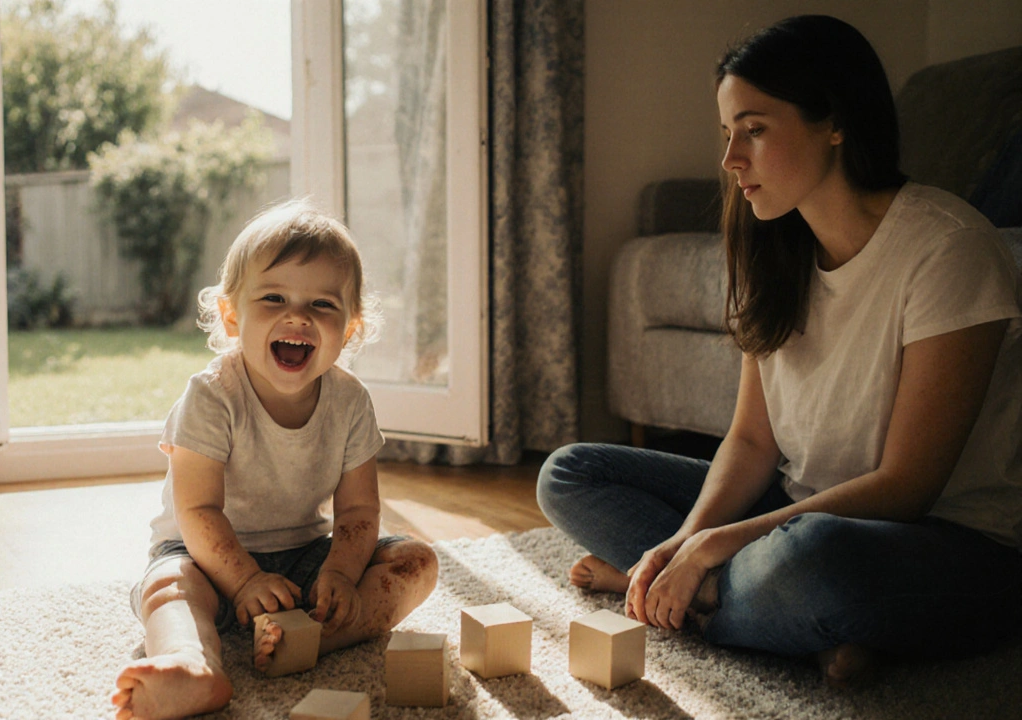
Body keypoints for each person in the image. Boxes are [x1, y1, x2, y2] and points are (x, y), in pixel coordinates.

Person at [538, 15, 1022, 685]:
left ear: (835, 122)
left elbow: (909, 486)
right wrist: (685, 542)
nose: (732, 159)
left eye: (755, 130)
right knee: (569, 473)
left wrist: (716, 548)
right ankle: (791, 621)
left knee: (817, 558)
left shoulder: (948, 250)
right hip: (799, 503)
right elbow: (751, 442)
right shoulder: (772, 250)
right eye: (727, 134)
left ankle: (713, 603)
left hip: (950, 544)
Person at [112, 200, 439, 720]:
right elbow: (196, 509)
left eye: (323, 306)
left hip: (304, 555)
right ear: (232, 315)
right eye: (274, 297)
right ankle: (193, 663)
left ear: (350, 329)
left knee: (417, 562)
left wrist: (339, 573)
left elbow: (358, 512)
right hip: (206, 556)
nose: (298, 317)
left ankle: (314, 639)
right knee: (168, 587)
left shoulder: (350, 401)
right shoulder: (211, 396)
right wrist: (242, 581)